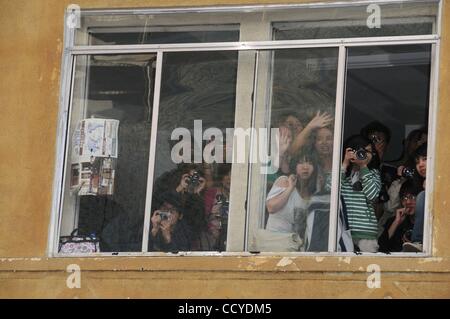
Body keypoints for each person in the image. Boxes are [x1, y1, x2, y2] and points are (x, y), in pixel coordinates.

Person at [264, 150, 318, 250]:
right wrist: (290, 188)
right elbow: (271, 208)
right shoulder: (284, 181)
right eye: (301, 162)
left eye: (310, 163)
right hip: (273, 245)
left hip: (293, 248)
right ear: (294, 166)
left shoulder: (312, 194)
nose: (305, 167)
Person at [152, 163, 207, 250]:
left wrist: (196, 193)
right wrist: (179, 188)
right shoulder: (167, 184)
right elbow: (157, 201)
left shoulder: (194, 203)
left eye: (195, 179)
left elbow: (197, 224)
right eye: (189, 177)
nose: (191, 181)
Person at [341, 135, 381, 252]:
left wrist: (363, 167)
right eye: (362, 151)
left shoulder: (373, 173)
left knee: (367, 267)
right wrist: (345, 163)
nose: (365, 154)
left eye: (369, 151)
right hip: (343, 230)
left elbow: (372, 196)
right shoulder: (343, 172)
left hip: (366, 232)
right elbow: (330, 190)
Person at [378, 180, 421, 253]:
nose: (408, 202)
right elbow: (381, 249)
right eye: (404, 198)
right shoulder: (394, 221)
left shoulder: (426, 221)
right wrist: (396, 222)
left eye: (413, 197)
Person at [403, 143, 427, 252]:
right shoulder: (420, 188)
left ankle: (418, 241)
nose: (420, 165)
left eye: (425, 159)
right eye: (417, 162)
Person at [202, 164, 231, 251]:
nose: (229, 179)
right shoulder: (211, 193)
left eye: (232, 175)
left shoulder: (243, 196)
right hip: (210, 239)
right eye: (226, 175)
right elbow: (202, 218)